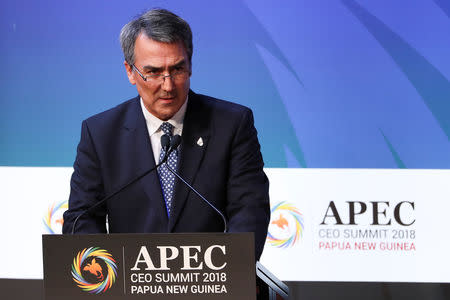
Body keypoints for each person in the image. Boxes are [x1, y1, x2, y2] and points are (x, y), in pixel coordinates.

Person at [62, 8, 270, 260]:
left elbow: (249, 212)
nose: (168, 85)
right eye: (153, 72)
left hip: (211, 286)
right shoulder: (100, 134)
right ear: (130, 71)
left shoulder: (233, 125)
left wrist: (231, 272)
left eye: (178, 69)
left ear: (191, 65)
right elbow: (82, 219)